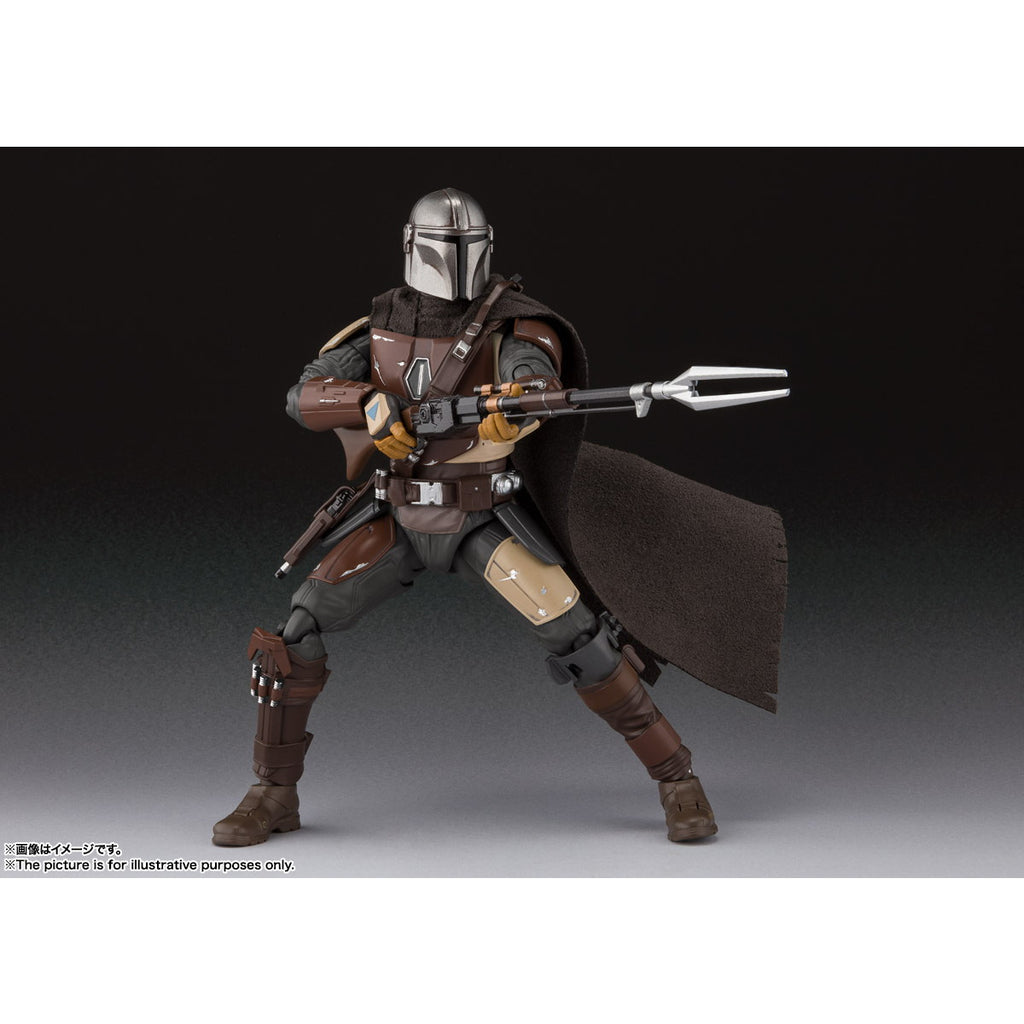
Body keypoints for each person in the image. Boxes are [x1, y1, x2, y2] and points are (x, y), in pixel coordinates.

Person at [212, 188, 786, 847]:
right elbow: (303, 395)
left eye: (468, 248)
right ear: (413, 248)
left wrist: (516, 406)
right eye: (444, 247)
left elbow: (537, 380)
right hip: (397, 514)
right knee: (295, 633)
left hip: (482, 516)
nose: (456, 262)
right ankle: (273, 792)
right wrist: (365, 401)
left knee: (582, 638)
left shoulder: (512, 324)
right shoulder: (379, 324)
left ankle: (676, 777)